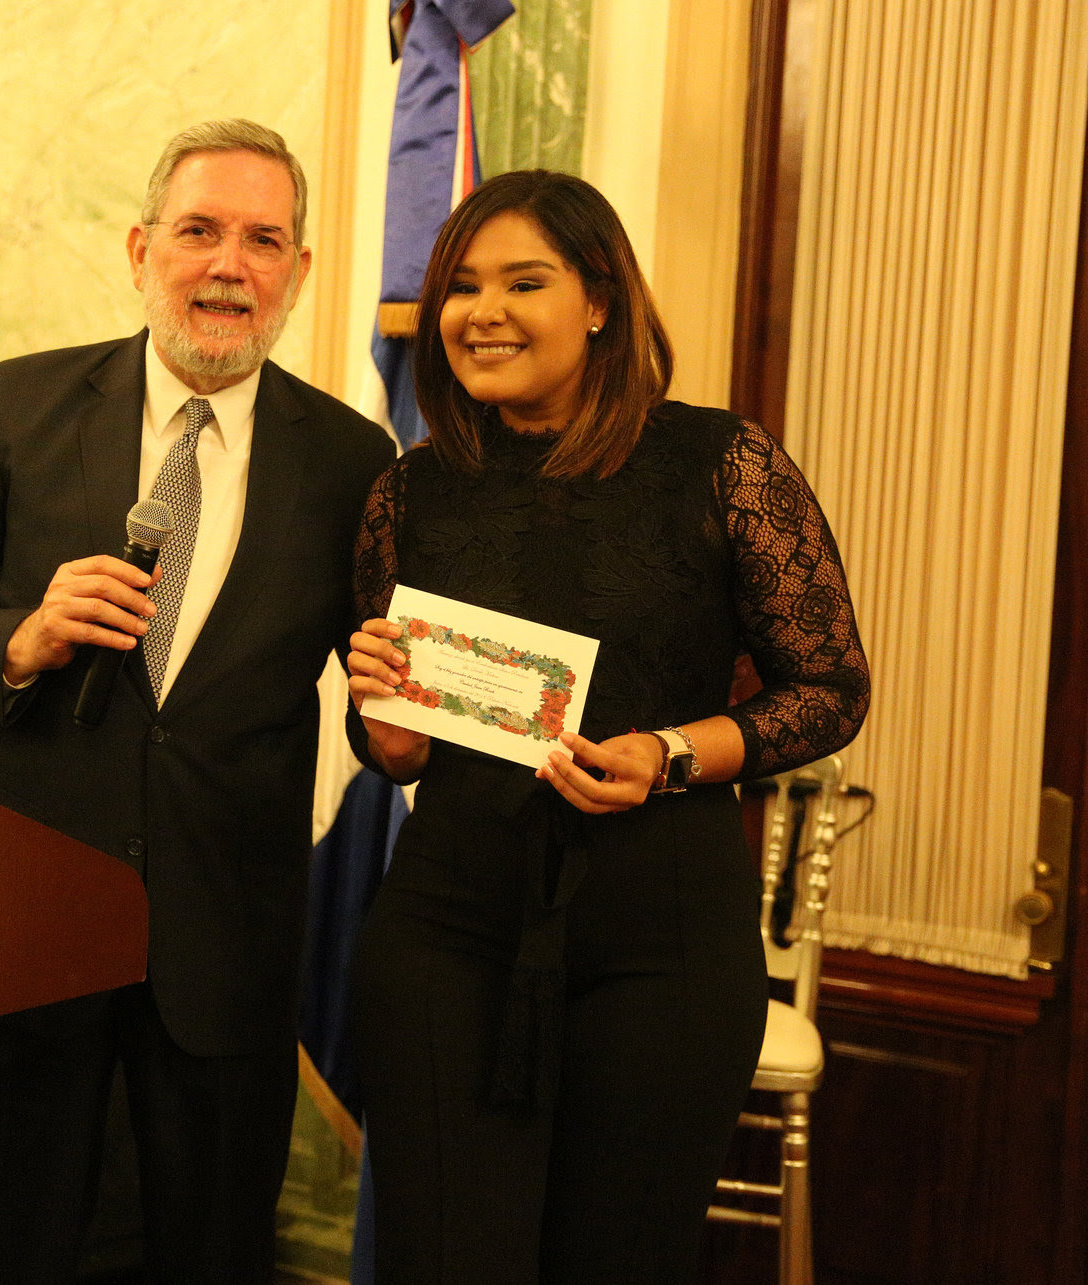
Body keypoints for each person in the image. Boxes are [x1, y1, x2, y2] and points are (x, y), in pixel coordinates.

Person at [0, 120, 395, 1283]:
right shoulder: (22, 404)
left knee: (210, 1256)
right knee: (6, 1246)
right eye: (199, 231)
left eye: (263, 240)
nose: (228, 265)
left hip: (228, 954)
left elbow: (377, 705)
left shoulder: (353, 459)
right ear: (140, 248)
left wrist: (398, 736)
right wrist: (22, 637)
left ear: (297, 273)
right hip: (28, 934)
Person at [343, 171, 871, 1284]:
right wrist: (383, 724)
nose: (481, 312)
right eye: (461, 287)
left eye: (521, 282)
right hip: (446, 936)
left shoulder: (721, 462)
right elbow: (398, 745)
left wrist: (670, 755)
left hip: (661, 947)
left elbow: (826, 688)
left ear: (597, 301)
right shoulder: (409, 491)